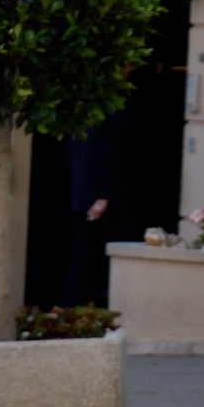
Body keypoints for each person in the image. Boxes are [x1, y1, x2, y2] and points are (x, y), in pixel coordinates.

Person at [64, 107, 126, 308]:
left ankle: (70, 312)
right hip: (98, 195)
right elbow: (108, 152)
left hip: (82, 193)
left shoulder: (78, 111)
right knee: (96, 257)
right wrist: (103, 195)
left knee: (82, 257)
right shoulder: (108, 111)